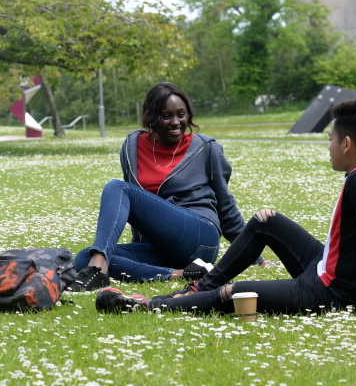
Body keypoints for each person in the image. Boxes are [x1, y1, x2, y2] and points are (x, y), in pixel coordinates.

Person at [96, 97, 356, 323]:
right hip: (327, 269)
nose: (327, 146)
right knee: (267, 221)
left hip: (334, 293)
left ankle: (148, 306)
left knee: (237, 294)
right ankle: (196, 289)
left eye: (330, 139)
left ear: (346, 144)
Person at [69, 82, 263, 292]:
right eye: (166, 115)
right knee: (86, 257)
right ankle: (180, 274)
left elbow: (226, 209)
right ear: (150, 117)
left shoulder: (207, 148)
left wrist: (256, 258)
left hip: (199, 238)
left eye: (181, 114)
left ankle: (97, 272)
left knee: (117, 188)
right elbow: (138, 210)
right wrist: (136, 244)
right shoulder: (132, 146)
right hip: (160, 246)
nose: (176, 122)